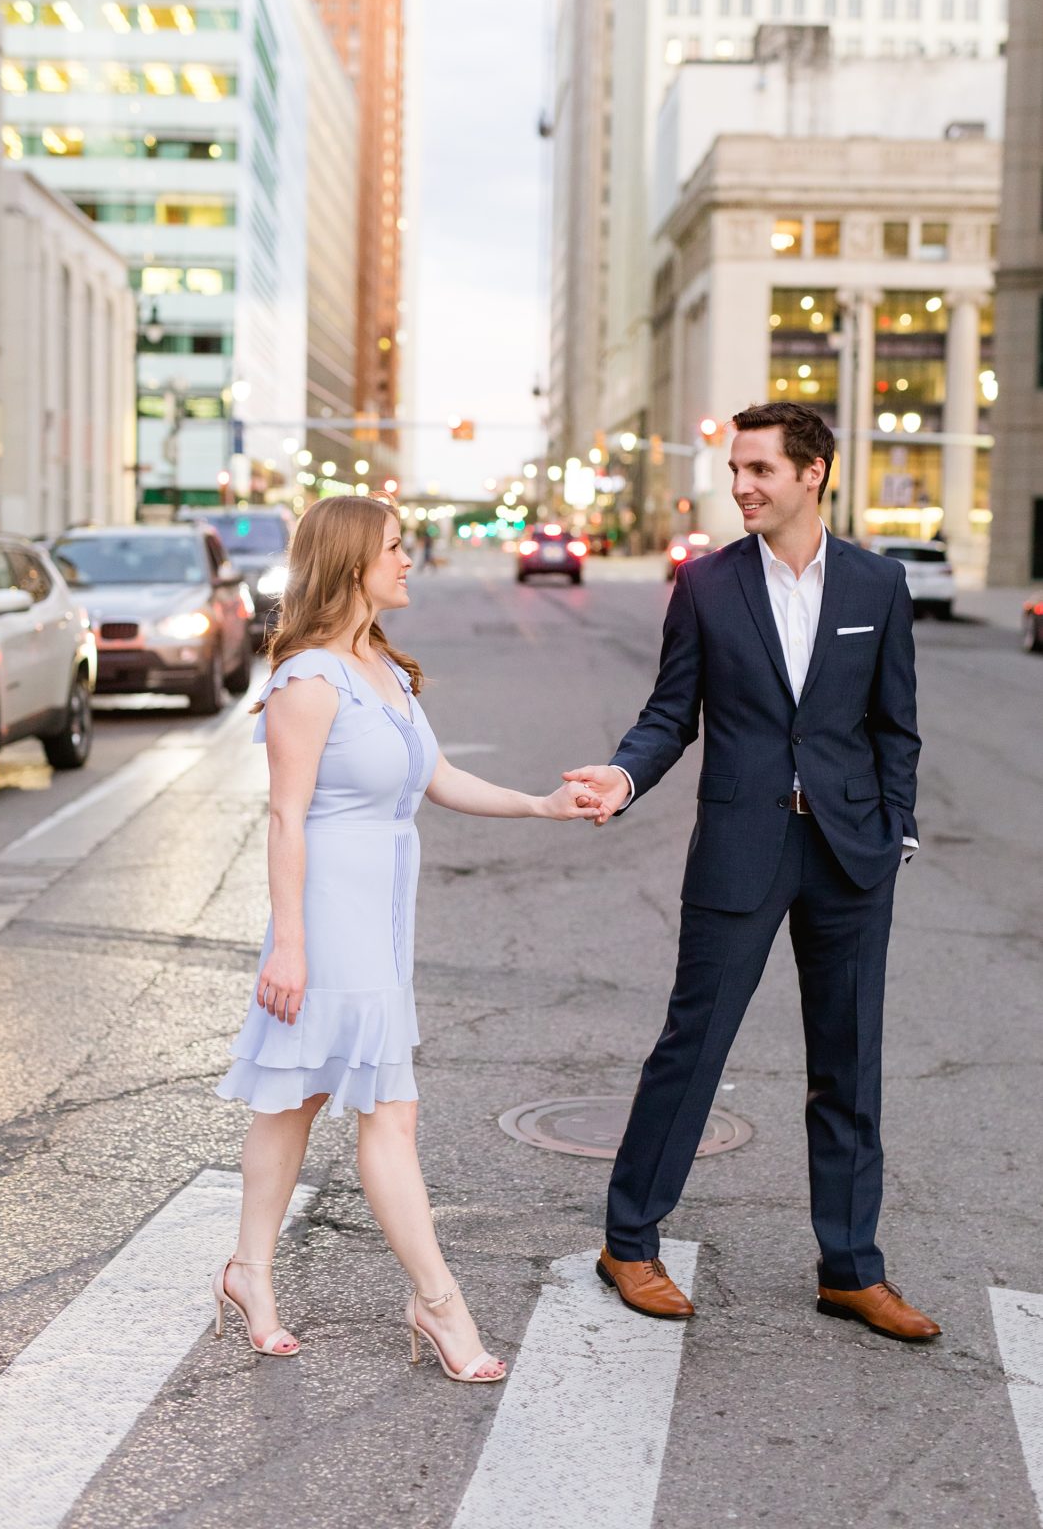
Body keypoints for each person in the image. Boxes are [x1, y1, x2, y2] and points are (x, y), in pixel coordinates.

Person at [565, 402, 940, 1343]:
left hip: (849, 855)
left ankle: (850, 1270)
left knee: (849, 1066)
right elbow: (669, 713)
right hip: (742, 848)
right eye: (736, 469)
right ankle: (629, 1242)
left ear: (813, 472)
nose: (741, 486)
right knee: (693, 1047)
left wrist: (893, 827)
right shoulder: (704, 584)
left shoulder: (876, 583)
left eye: (760, 470)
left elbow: (894, 723)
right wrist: (622, 771)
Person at [214, 494, 599, 1377]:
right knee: (385, 1113)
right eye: (394, 547)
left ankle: (248, 1272)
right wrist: (290, 945)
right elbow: (284, 817)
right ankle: (438, 1305)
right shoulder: (308, 680)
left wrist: (542, 804)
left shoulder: (382, 667)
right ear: (353, 562)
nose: (408, 559)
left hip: (383, 920)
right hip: (328, 919)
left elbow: (441, 778)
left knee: (296, 1098)